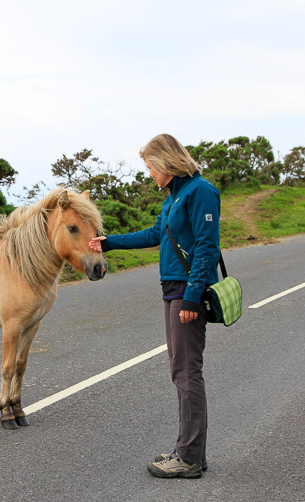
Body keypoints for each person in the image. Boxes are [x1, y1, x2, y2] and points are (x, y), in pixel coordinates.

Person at [89, 133, 220, 479]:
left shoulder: (201, 191)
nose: (148, 173)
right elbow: (156, 234)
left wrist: (192, 298)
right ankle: (190, 451)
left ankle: (189, 458)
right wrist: (110, 242)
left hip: (185, 293)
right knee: (181, 370)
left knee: (186, 371)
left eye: (149, 166)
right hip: (172, 291)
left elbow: (207, 248)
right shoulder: (174, 197)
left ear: (165, 162)